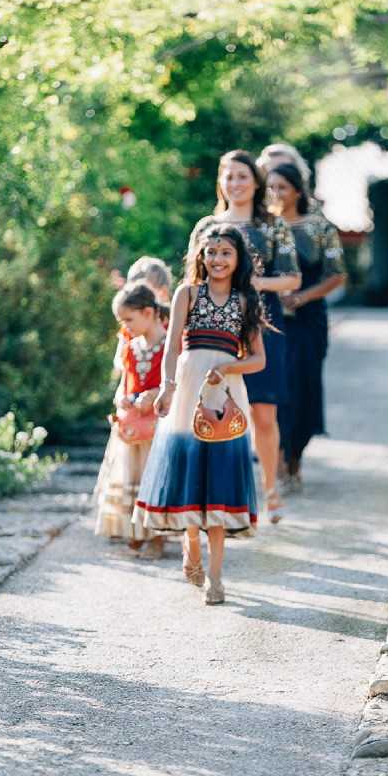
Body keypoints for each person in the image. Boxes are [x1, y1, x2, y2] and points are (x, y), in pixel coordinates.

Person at [133, 225, 266, 605]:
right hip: (188, 388)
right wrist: (168, 387)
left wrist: (227, 370)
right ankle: (191, 543)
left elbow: (258, 359)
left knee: (221, 479)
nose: (218, 260)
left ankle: (217, 576)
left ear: (237, 258)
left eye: (226, 252)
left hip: (225, 391)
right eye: (211, 252)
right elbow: (172, 346)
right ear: (200, 257)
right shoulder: (186, 294)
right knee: (189, 471)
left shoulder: (245, 301)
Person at [188, 150, 301, 523]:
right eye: (228, 176)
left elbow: (293, 278)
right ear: (220, 182)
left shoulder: (273, 225)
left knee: (264, 414)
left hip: (261, 325)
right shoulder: (206, 226)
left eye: (242, 176)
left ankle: (269, 489)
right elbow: (192, 278)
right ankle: (214, 493)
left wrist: (252, 284)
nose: (235, 184)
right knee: (211, 409)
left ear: (255, 182)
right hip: (213, 329)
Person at [267, 163, 346, 491]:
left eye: (282, 187)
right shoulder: (264, 227)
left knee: (303, 388)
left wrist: (301, 298)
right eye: (270, 187)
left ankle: (295, 455)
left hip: (308, 319)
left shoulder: (319, 228)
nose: (276, 194)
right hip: (270, 318)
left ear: (297, 190)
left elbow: (337, 274)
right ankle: (278, 458)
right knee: (273, 389)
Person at [94, 282, 167, 557]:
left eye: (129, 319)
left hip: (157, 424)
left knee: (154, 477)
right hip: (133, 424)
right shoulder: (130, 347)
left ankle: (157, 535)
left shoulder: (168, 345)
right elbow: (126, 381)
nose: (126, 325)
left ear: (148, 312)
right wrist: (122, 399)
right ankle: (136, 530)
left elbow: (177, 382)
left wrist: (155, 393)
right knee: (130, 478)